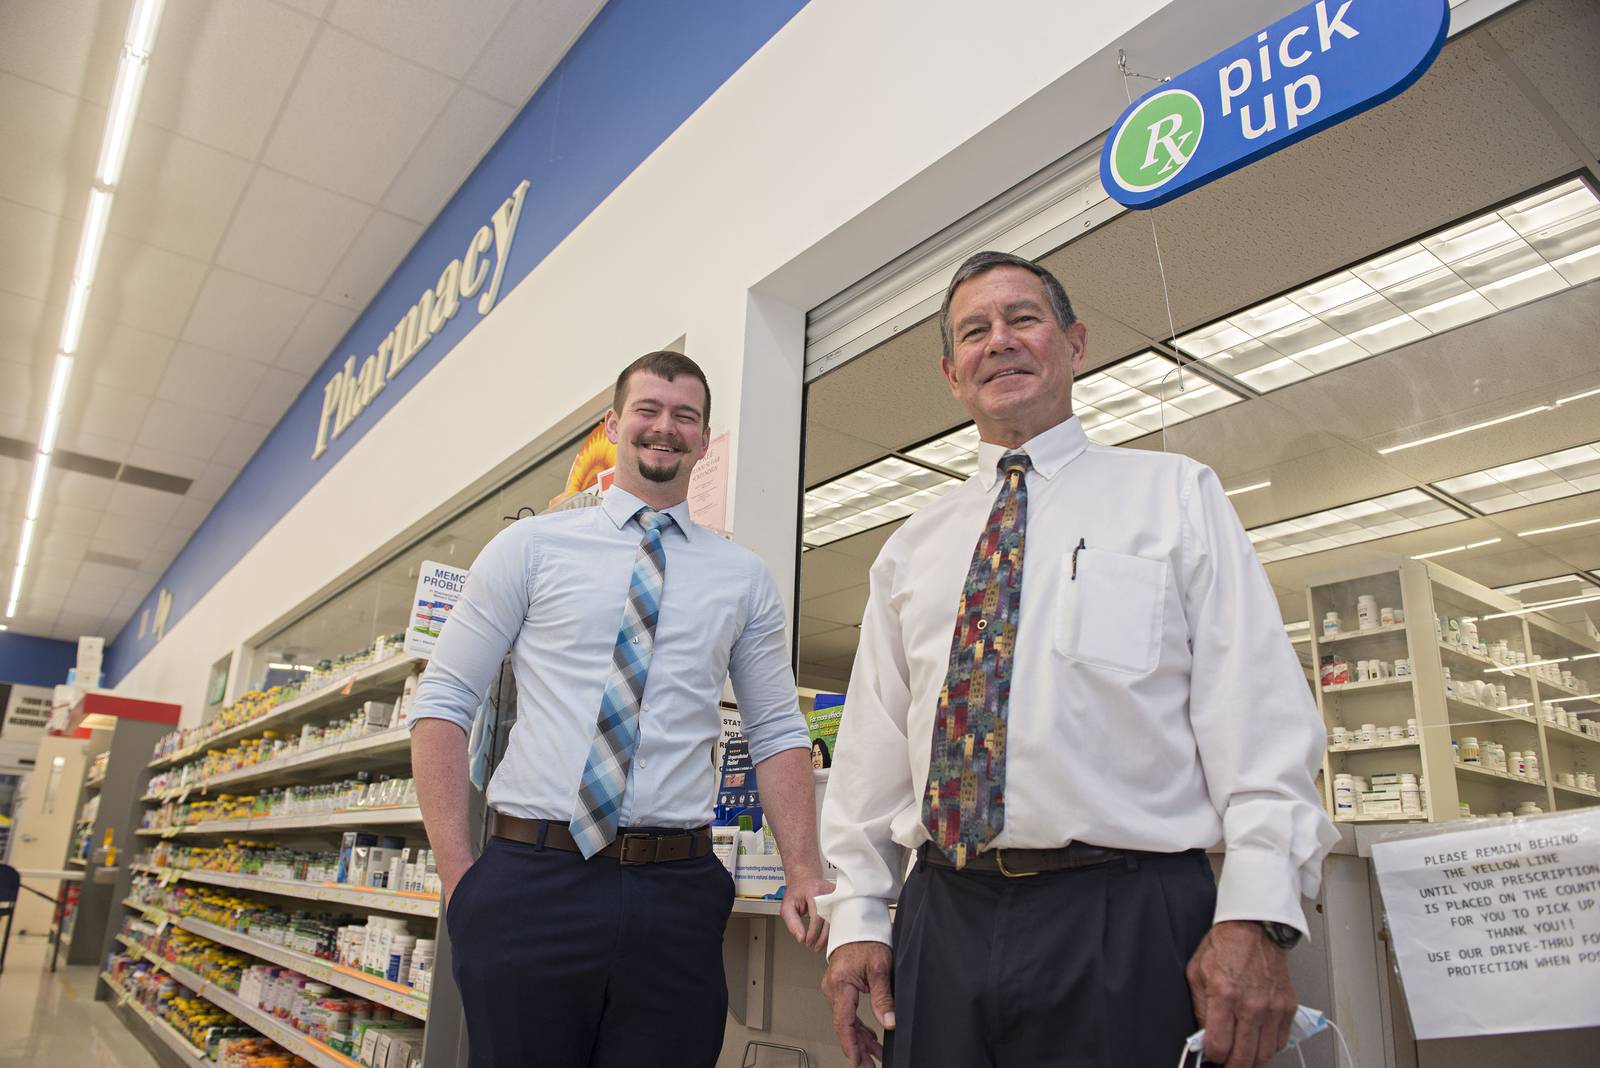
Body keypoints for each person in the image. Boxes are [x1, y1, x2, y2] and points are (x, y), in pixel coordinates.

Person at [816, 252, 1338, 1068]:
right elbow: (871, 756)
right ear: (952, 374)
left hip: (1126, 916)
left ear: (1075, 344)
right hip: (941, 918)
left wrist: (1257, 911)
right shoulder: (911, 549)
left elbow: (1258, 714)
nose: (1000, 342)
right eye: (974, 332)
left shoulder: (1175, 495)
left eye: (1023, 319)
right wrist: (857, 918)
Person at [410, 351, 832, 1068]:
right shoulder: (529, 549)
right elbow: (444, 703)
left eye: (685, 417)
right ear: (615, 424)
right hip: (532, 880)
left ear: (702, 440)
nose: (664, 428)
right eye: (648, 410)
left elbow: (775, 730)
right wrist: (461, 879)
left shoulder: (743, 578)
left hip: (676, 892)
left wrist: (804, 868)